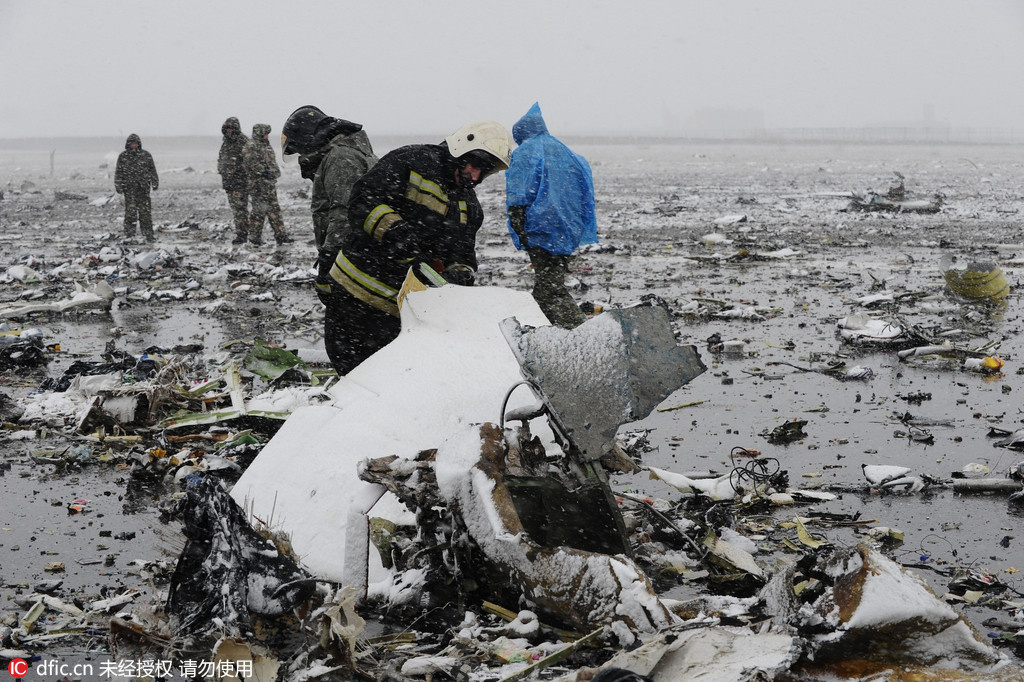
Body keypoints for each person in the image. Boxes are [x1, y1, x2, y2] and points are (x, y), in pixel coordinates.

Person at [321, 120, 513, 374]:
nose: (475, 176)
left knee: (382, 381)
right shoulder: (411, 161)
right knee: (350, 374)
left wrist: (460, 273)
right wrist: (394, 232)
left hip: (399, 313)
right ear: (460, 149)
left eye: (484, 171)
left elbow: (464, 254)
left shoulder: (469, 207)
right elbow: (362, 201)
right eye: (474, 164)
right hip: (353, 296)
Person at [505, 102, 598, 328]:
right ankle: (548, 331)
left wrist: (520, 228)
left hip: (541, 227)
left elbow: (520, 194)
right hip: (568, 228)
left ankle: (581, 333)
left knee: (550, 291)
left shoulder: (526, 152)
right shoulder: (567, 153)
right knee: (547, 285)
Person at [280, 105, 378, 302]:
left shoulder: (341, 157)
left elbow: (344, 212)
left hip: (354, 259)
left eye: (299, 149)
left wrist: (330, 258)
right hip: (361, 255)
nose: (300, 155)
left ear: (308, 139)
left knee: (349, 320)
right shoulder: (344, 153)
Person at [243, 123, 292, 246]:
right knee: (258, 211)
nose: (267, 136)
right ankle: (254, 237)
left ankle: (281, 236)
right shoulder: (251, 145)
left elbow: (271, 162)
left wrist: (274, 172)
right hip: (258, 185)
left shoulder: (266, 145)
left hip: (269, 185)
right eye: (265, 133)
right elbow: (250, 163)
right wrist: (264, 172)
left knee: (275, 211)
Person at [114, 133, 159, 243]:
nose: (134, 145)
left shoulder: (146, 155)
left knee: (145, 214)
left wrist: (155, 182)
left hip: (143, 189)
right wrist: (118, 185)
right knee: (130, 213)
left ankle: (148, 235)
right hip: (129, 190)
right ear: (128, 144)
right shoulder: (123, 156)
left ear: (139, 144)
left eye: (136, 143)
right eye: (132, 143)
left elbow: (152, 170)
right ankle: (129, 235)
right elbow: (118, 172)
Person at [217, 117, 250, 245]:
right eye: (227, 129)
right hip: (229, 183)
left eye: (231, 129)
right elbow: (221, 160)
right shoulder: (225, 143)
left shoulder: (243, 142)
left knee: (240, 209)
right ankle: (241, 232)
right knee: (236, 210)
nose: (229, 132)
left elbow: (249, 161)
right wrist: (223, 172)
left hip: (240, 183)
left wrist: (239, 173)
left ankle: (242, 234)